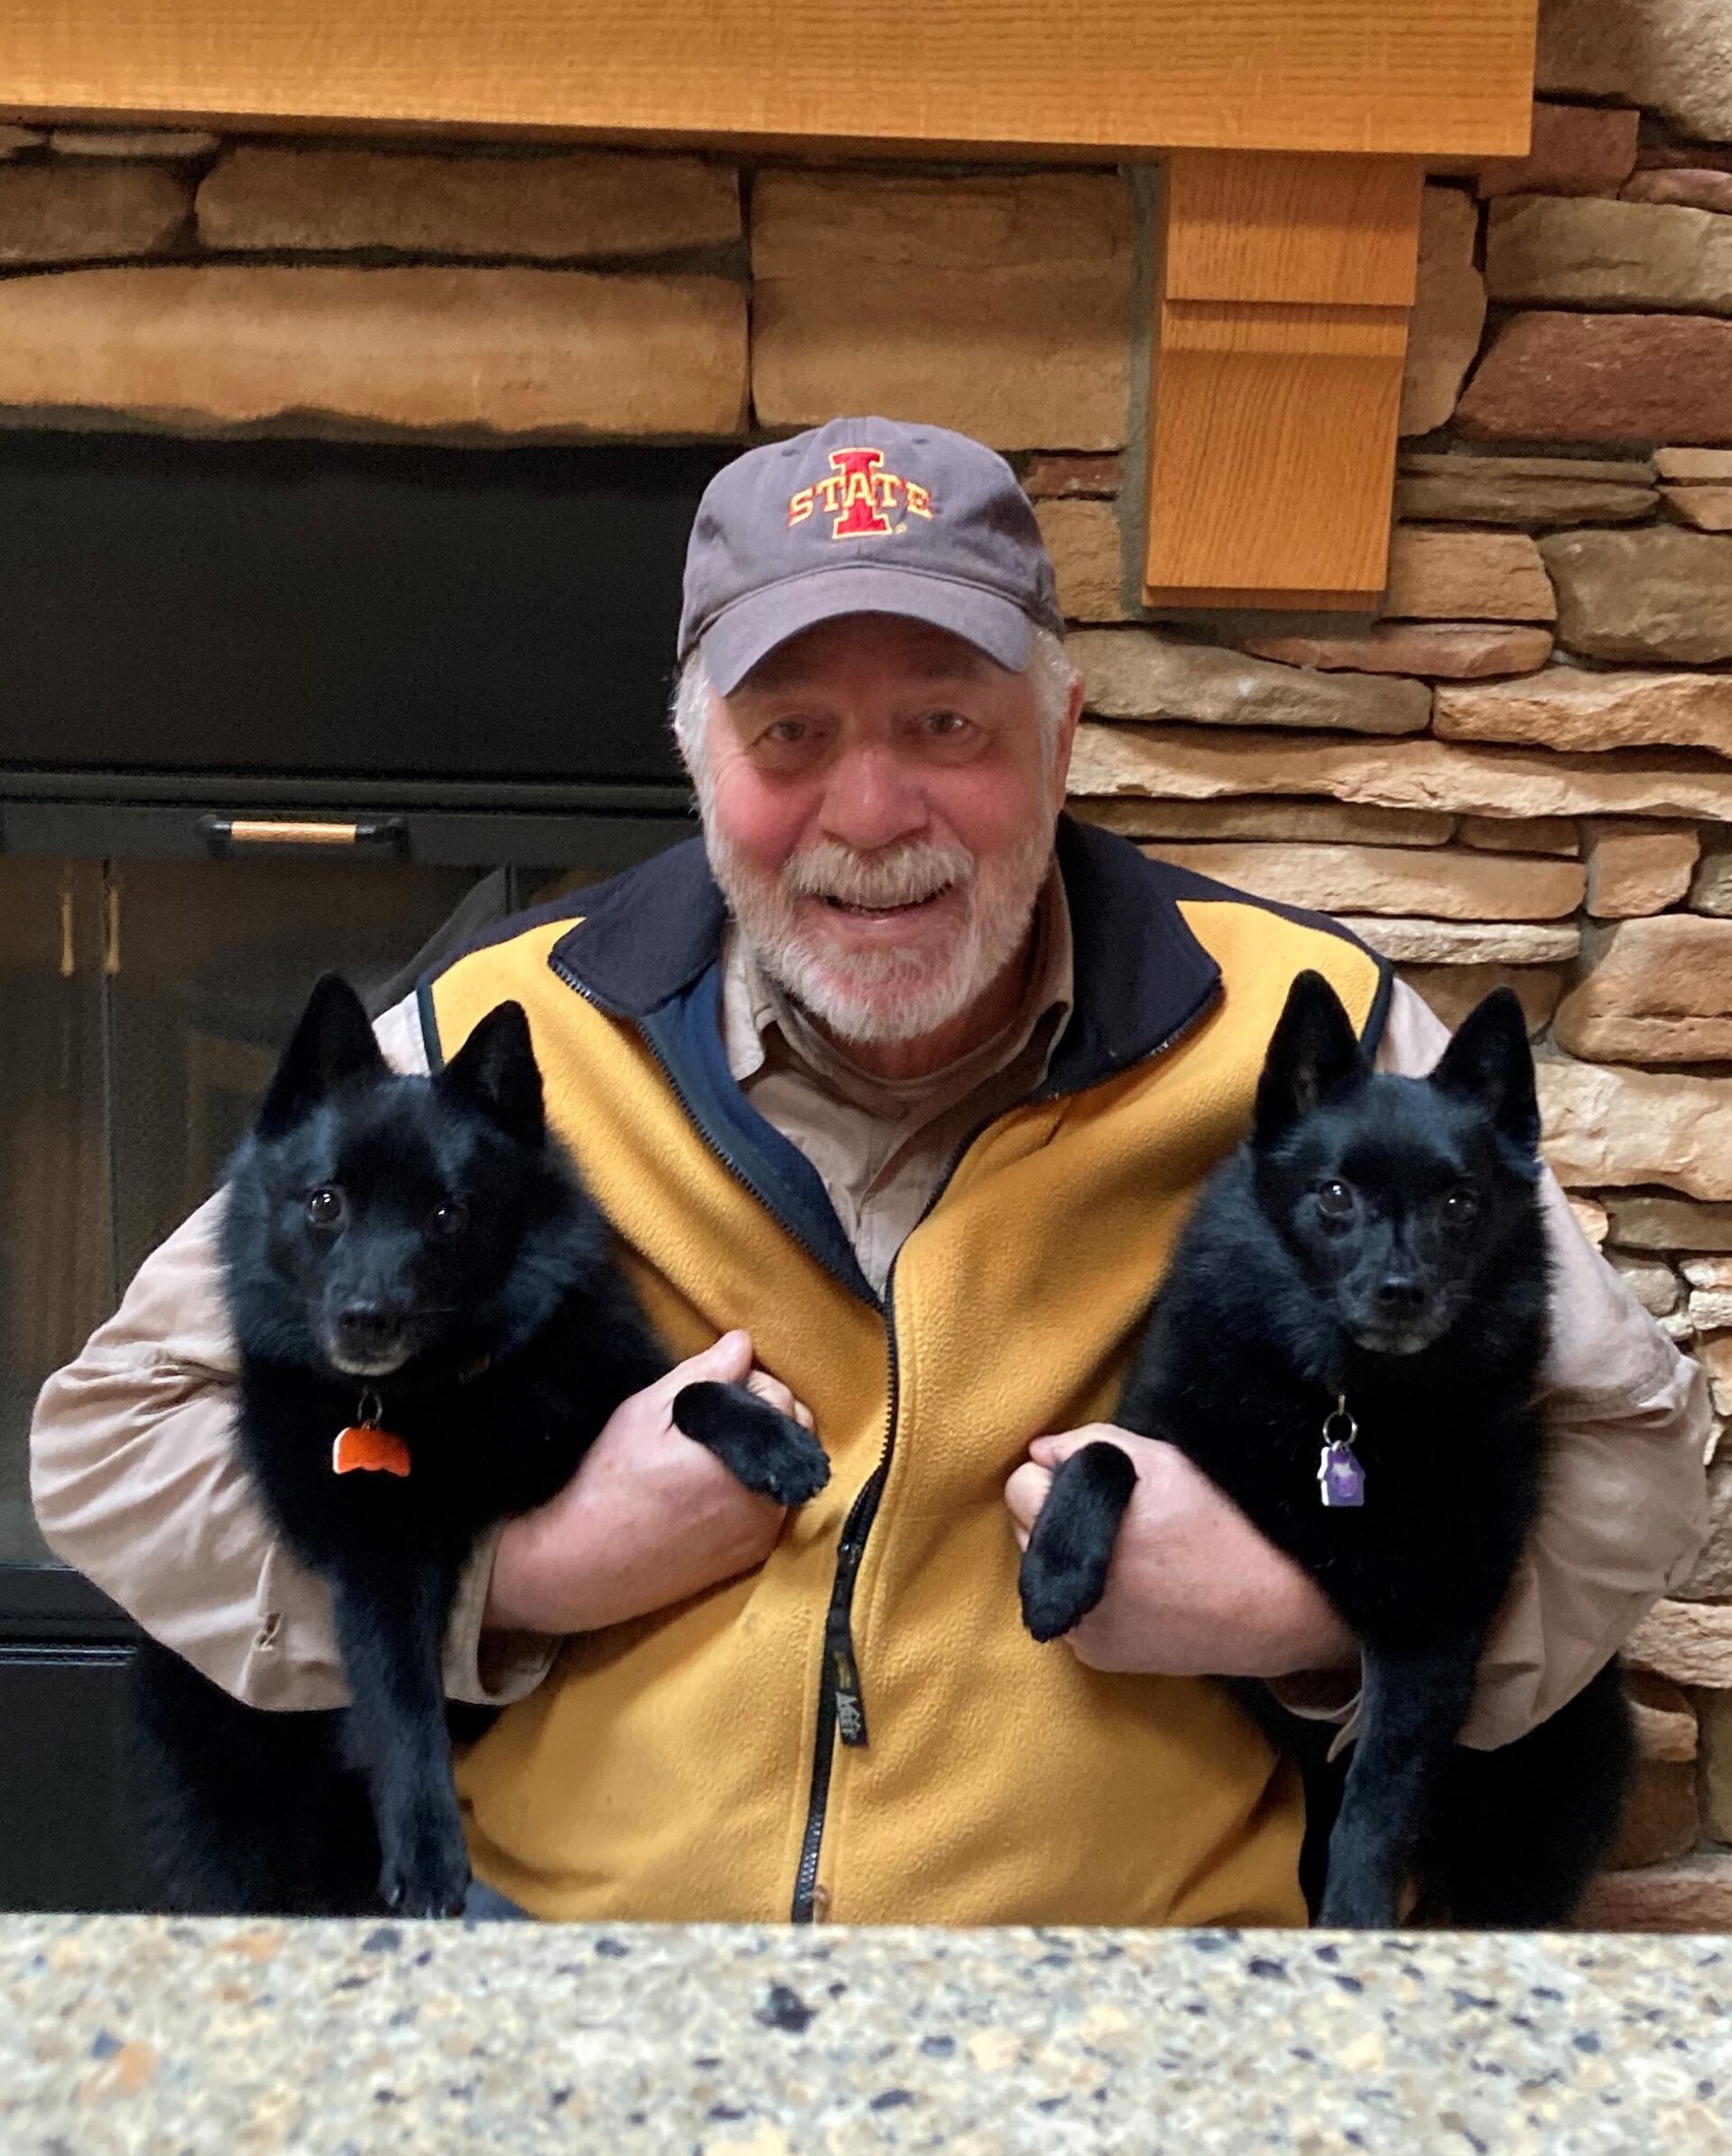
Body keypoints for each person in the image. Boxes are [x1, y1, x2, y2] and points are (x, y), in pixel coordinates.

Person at [32, 417, 1709, 1928]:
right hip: (576, 1969)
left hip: (1136, 1990)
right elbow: (109, 1445)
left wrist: (1302, 1614)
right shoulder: (494, 1036)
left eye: (945, 719)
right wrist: (519, 1582)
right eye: (791, 734)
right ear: (701, 764)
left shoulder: (1308, 1035)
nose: (873, 806)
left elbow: (1640, 1440)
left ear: (1059, 738)